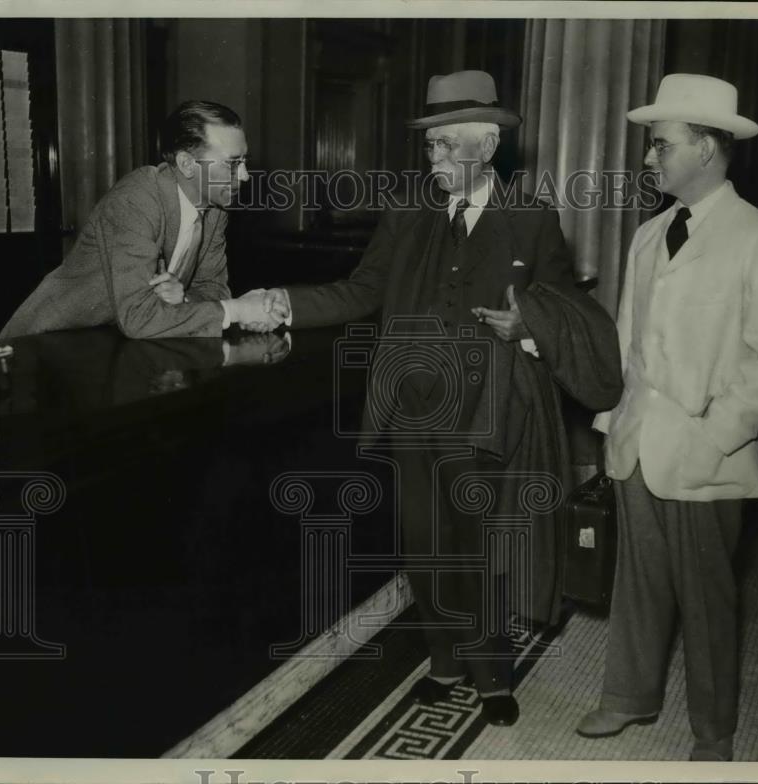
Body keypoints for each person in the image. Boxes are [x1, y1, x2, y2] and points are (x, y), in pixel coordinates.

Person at [260, 70, 622, 726]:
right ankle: (443, 661)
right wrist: (276, 303)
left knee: (482, 546)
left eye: (443, 146)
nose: (431, 159)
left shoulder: (531, 219)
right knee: (426, 546)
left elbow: (568, 304)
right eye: (428, 147)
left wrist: (530, 325)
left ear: (482, 148)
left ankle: (490, 673)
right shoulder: (406, 213)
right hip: (412, 411)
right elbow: (359, 291)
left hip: (487, 413)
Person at [576, 74, 758, 761]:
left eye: (661, 145)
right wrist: (607, 428)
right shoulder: (648, 237)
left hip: (708, 453)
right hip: (638, 444)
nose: (650, 159)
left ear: (707, 149)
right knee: (637, 581)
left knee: (707, 599)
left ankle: (714, 731)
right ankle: (628, 696)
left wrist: (716, 437)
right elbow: (626, 343)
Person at [0, 100, 285, 341]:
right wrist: (236, 311)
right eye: (232, 163)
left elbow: (214, 288)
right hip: (48, 345)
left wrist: (184, 298)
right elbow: (138, 316)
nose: (246, 176)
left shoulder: (215, 208)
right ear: (186, 164)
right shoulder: (137, 198)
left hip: (112, 342)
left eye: (244, 162)